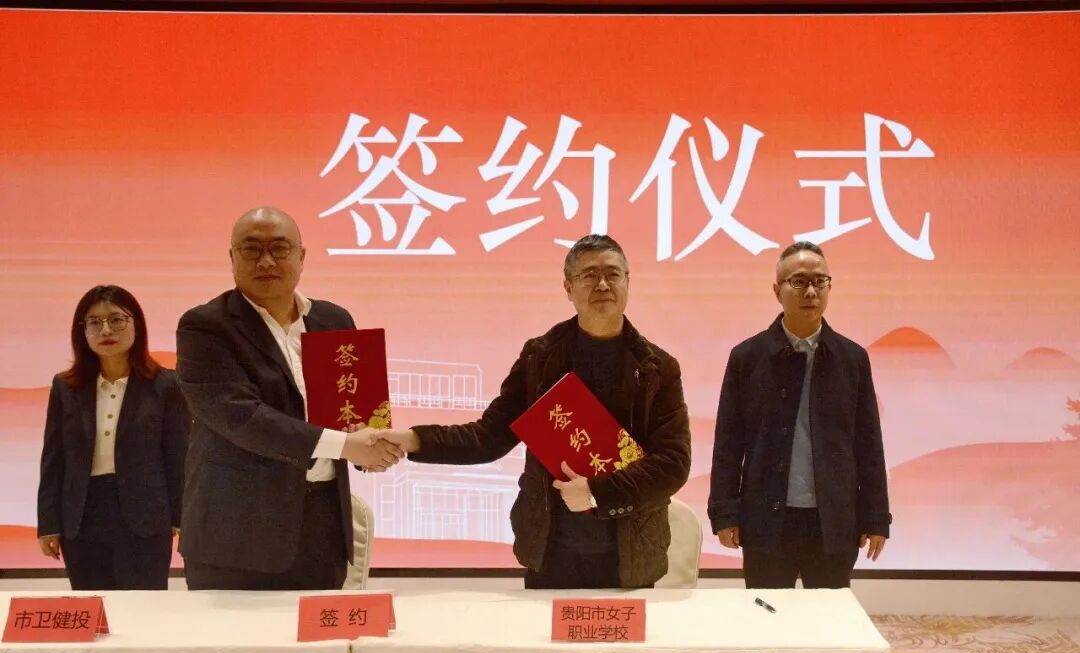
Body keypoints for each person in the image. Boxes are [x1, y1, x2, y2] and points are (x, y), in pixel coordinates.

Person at [381, 234, 691, 589]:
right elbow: (489, 436)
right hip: (551, 551)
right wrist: (414, 439)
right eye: (589, 275)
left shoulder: (657, 368)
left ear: (627, 281)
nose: (603, 284)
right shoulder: (540, 358)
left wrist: (598, 492)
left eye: (613, 273)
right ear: (568, 287)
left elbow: (673, 463)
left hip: (630, 555)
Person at [176, 207, 403, 590]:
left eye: (279, 249)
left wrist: (373, 447)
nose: (266, 261)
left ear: (301, 255)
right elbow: (241, 418)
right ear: (232, 257)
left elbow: (355, 410)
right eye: (251, 249)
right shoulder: (205, 326)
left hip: (322, 527)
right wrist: (346, 445)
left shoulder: (333, 320)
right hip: (236, 535)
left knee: (318, 629)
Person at [708, 241, 891, 589]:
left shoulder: (852, 359)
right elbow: (728, 445)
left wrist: (876, 516)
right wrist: (725, 512)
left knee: (827, 618)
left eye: (820, 281)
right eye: (799, 281)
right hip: (766, 518)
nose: (811, 291)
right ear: (777, 291)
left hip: (833, 520)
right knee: (767, 614)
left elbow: (869, 446)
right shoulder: (747, 358)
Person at [37, 285, 188, 590]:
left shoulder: (165, 384)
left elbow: (177, 455)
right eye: (94, 322)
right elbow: (54, 459)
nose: (106, 330)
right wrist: (48, 524)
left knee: (144, 608)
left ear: (137, 325)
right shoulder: (66, 387)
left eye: (117, 319)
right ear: (82, 331)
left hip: (145, 514)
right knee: (93, 607)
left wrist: (183, 517)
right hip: (82, 515)